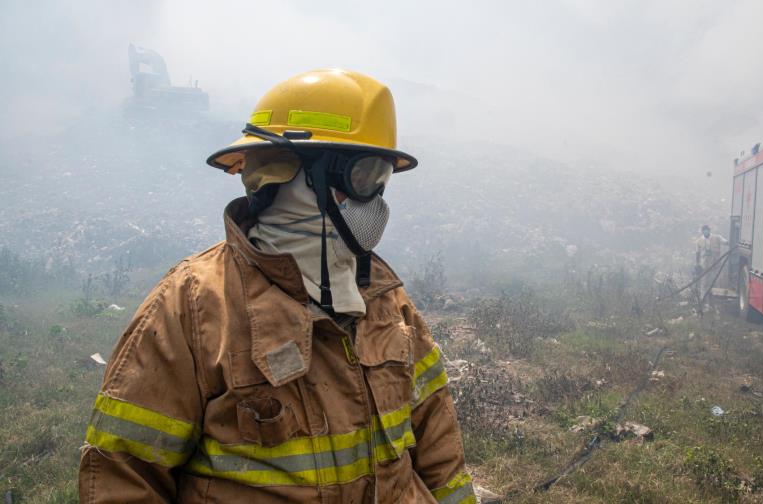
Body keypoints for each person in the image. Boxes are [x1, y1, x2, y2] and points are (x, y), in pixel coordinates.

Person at [78, 69, 474, 504]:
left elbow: (439, 449)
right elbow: (124, 476)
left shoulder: (384, 297)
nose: (376, 199)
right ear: (293, 179)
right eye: (364, 178)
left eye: (382, 180)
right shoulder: (193, 307)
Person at [694, 224, 728, 300]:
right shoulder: (699, 241)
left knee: (717, 280)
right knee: (704, 282)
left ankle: (718, 298)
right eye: (704, 230)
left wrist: (729, 242)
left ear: (709, 230)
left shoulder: (717, 237)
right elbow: (697, 253)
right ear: (702, 232)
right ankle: (703, 298)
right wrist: (697, 263)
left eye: (707, 230)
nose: (706, 232)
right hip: (705, 264)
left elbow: (725, 242)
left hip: (716, 263)